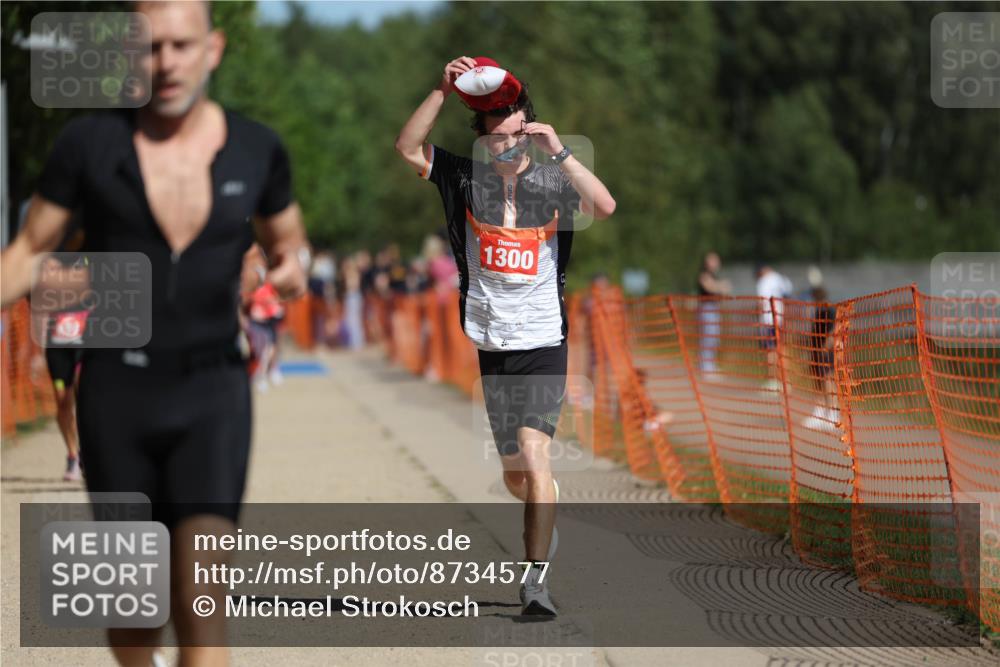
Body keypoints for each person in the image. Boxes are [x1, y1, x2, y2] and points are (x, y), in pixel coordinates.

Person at [0, 2, 309, 665]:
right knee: (134, 619)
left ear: (212, 48)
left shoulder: (258, 147)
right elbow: (28, 249)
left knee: (201, 606)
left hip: (213, 391)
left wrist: (292, 269)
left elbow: (291, 241)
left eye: (180, 44)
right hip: (116, 393)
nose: (166, 62)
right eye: (150, 47)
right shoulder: (88, 145)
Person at [395, 55, 616, 615]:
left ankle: (535, 583)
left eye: (514, 135)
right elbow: (407, 147)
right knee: (516, 473)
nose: (505, 147)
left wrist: (559, 149)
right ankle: (541, 513)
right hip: (493, 346)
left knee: (539, 462)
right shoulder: (464, 177)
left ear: (528, 128)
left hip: (544, 343)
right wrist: (442, 89)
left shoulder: (552, 180)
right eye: (494, 139)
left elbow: (605, 205)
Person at [802, 287, 839, 432]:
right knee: (818, 379)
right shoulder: (817, 311)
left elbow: (835, 329)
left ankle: (833, 413)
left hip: (828, 350)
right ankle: (820, 410)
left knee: (829, 379)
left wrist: (827, 345)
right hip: (817, 349)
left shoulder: (830, 309)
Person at [755, 262, 793, 391]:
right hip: (780, 318)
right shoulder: (780, 278)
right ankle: (785, 381)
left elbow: (761, 302)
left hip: (767, 320)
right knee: (781, 349)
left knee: (770, 351)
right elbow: (788, 294)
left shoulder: (763, 281)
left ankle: (773, 381)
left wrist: (756, 317)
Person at [696, 251, 731, 377]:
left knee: (713, 338)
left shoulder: (714, 276)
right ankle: (705, 366)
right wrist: (720, 286)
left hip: (714, 308)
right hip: (706, 308)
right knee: (707, 337)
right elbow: (710, 287)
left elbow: (723, 290)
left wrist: (720, 287)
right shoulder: (704, 275)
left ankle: (710, 364)